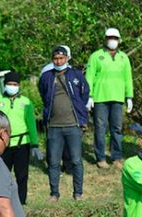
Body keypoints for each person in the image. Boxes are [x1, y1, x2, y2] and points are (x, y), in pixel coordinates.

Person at [38, 46, 90, 202]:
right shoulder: (46, 77)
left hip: (73, 124)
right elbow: (43, 94)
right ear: (52, 60)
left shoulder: (76, 74)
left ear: (67, 58)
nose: (59, 61)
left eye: (61, 58)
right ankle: (54, 194)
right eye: (55, 59)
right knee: (53, 161)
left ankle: (78, 193)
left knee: (76, 160)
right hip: (54, 126)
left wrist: (81, 114)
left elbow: (84, 93)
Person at [86, 28, 133, 169]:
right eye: (109, 37)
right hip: (100, 97)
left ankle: (116, 157)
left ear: (119, 40)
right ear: (105, 38)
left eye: (115, 38)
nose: (112, 40)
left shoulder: (124, 57)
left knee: (117, 129)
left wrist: (129, 96)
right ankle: (100, 158)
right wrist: (89, 96)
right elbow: (89, 76)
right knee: (100, 128)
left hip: (118, 98)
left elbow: (128, 78)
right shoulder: (95, 56)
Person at [0, 71, 39, 205]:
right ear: (4, 85)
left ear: (19, 85)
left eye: (15, 84)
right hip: (3, 144)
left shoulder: (26, 102)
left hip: (22, 144)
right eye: (9, 84)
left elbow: (31, 124)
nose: (12, 86)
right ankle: (4, 200)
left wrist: (35, 144)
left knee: (22, 175)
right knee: (3, 175)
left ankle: (21, 201)